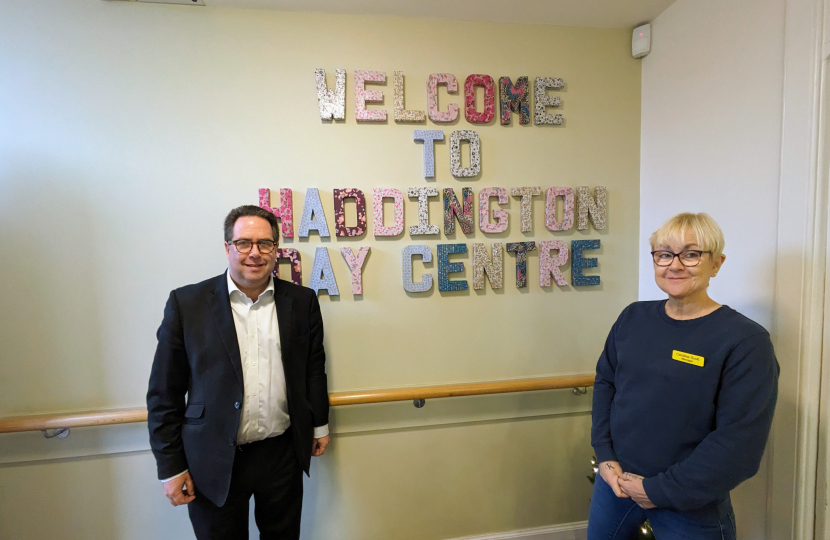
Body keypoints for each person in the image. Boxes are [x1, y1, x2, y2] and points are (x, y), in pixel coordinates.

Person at [587, 212, 779, 540]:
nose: (674, 265)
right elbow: (606, 382)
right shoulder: (633, 318)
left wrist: (659, 490)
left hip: (688, 501)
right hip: (615, 484)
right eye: (664, 254)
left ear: (716, 264)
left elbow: (739, 443)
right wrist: (605, 457)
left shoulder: (744, 341)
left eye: (691, 254)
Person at [147, 205, 330, 540]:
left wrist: (319, 425)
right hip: (213, 458)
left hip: (282, 453)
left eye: (265, 244)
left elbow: (313, 368)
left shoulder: (301, 301)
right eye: (244, 243)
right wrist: (170, 466)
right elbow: (164, 393)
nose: (255, 253)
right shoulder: (187, 304)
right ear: (227, 247)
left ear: (276, 249)